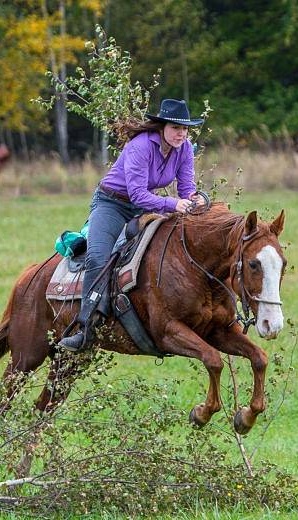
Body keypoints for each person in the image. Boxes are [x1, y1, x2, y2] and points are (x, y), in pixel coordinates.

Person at [58, 99, 206, 352]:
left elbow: (186, 189)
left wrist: (197, 199)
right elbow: (137, 195)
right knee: (98, 257)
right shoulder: (140, 146)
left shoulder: (185, 149)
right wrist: (173, 204)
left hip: (146, 206)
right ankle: (86, 328)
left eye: (186, 129)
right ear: (161, 127)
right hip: (112, 204)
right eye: (176, 127)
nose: (181, 133)